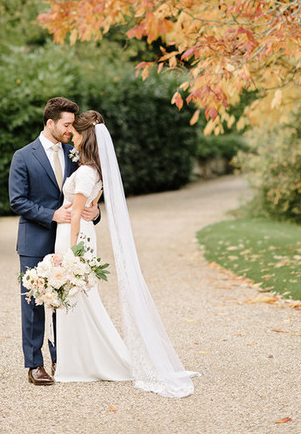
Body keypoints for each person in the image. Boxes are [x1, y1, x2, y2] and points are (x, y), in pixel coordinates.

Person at [54, 110, 199, 398]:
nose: (73, 137)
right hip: (85, 233)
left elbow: (75, 216)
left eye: (77, 133)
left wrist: (71, 252)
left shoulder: (84, 172)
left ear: (85, 136)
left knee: (77, 297)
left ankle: (81, 363)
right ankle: (79, 360)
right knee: (82, 298)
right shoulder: (97, 170)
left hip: (74, 237)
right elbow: (90, 208)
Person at [8, 97, 100, 385]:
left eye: (73, 125)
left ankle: (63, 357)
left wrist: (94, 213)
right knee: (34, 304)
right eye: (67, 124)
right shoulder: (23, 156)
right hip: (35, 240)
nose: (71, 130)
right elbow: (17, 201)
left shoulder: (75, 154)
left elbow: (84, 193)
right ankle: (35, 364)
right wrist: (52, 215)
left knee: (67, 300)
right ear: (50, 123)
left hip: (65, 241)